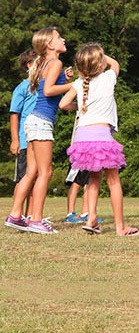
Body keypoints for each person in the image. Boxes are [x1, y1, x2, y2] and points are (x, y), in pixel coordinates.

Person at [59, 43, 138, 236]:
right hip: (102, 137)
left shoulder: (79, 84)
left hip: (82, 138)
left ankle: (91, 218)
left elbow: (62, 104)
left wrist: (80, 106)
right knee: (113, 181)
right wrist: (101, 51)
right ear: (101, 65)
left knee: (93, 180)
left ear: (79, 68)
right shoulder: (108, 77)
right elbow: (115, 64)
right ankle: (120, 227)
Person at [5, 27, 72, 234]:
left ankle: (15, 216)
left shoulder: (44, 63)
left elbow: (57, 100)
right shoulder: (56, 62)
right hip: (42, 121)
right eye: (59, 37)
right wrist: (75, 85)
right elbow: (49, 90)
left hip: (34, 120)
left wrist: (77, 103)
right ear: (50, 45)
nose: (63, 39)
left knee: (32, 172)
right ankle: (36, 220)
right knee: (45, 172)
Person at [7, 50, 37, 220]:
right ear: (29, 65)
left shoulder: (42, 85)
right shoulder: (22, 88)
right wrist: (15, 140)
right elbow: (14, 114)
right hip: (25, 140)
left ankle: (31, 216)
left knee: (35, 179)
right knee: (23, 179)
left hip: (38, 140)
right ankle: (16, 214)